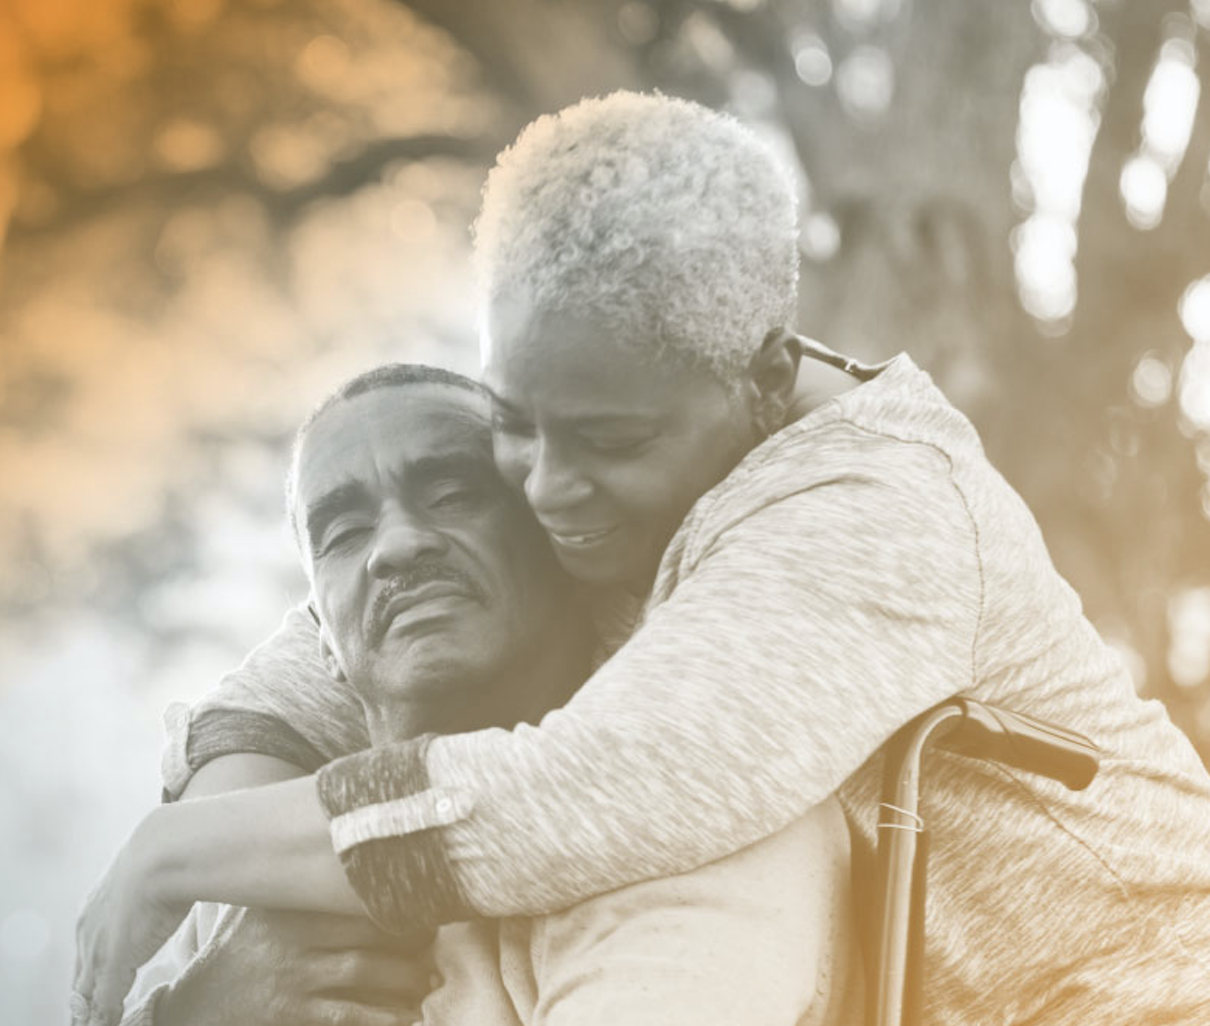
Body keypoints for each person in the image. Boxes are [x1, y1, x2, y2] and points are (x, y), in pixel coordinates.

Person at [76, 92, 1210, 1026]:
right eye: (512, 426)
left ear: (757, 382)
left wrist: (173, 863)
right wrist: (216, 938)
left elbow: (576, 795)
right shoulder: (602, 465)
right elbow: (336, 636)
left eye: (606, 441)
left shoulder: (863, 514)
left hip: (1166, 992)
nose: (549, 487)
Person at [118, 362, 860, 1026]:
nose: (398, 546)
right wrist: (191, 1011)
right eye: (343, 530)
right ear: (322, 648)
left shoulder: (706, 807)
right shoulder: (250, 886)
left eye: (451, 493)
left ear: (566, 548)